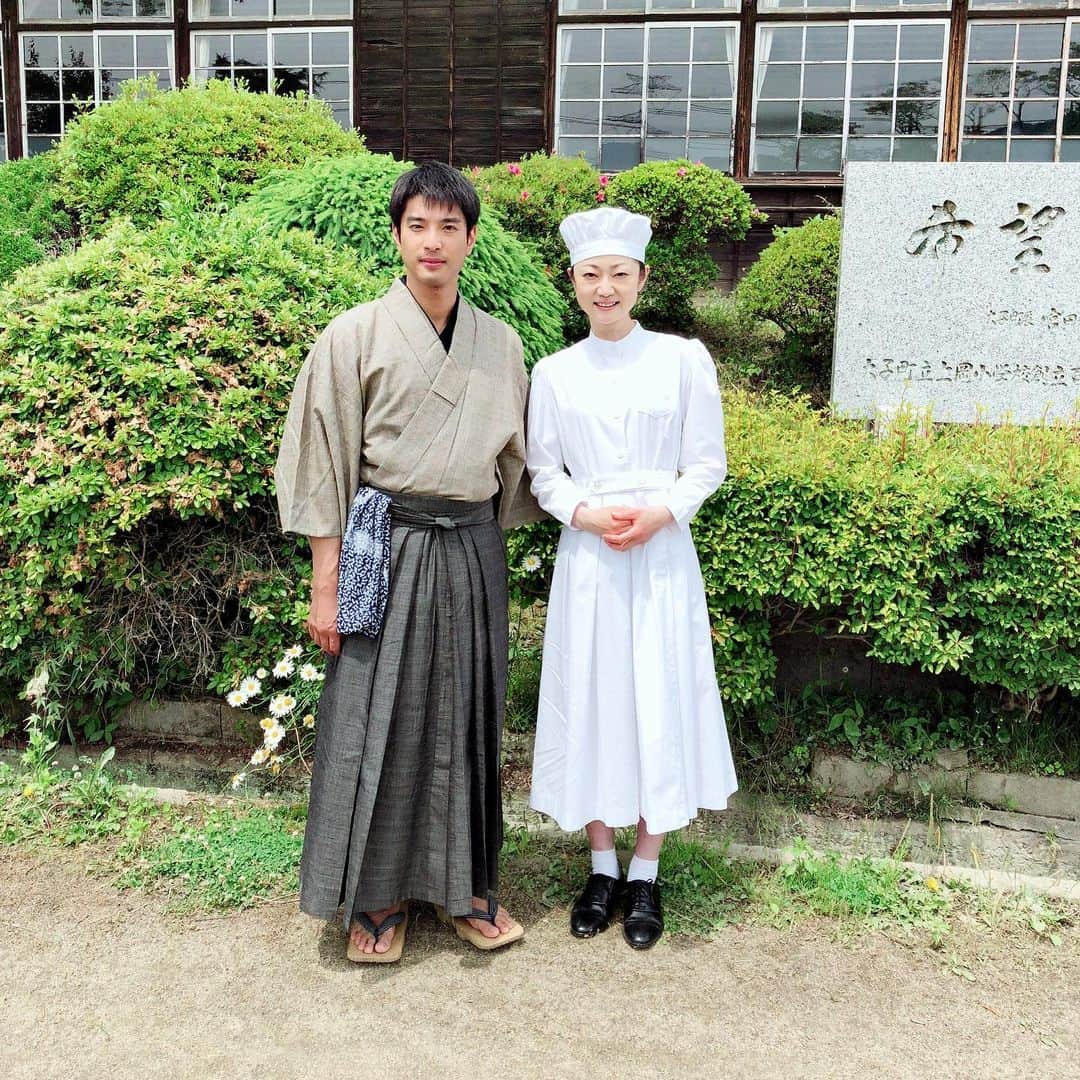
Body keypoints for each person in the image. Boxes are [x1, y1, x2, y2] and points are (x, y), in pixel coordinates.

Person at [275, 162, 536, 963]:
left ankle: (465, 889)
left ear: (470, 239)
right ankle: (378, 896)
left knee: (466, 720)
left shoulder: (502, 343)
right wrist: (327, 582)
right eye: (418, 225)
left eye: (448, 227)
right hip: (384, 546)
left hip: (470, 548)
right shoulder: (352, 334)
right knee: (374, 721)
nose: (433, 241)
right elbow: (321, 460)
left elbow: (523, 466)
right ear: (397, 234)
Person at [525, 206, 738, 950]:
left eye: (619, 274)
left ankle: (646, 869)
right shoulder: (553, 372)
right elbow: (543, 470)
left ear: (642, 280)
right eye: (592, 275)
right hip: (588, 557)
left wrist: (659, 513)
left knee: (656, 692)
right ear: (574, 282)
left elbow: (706, 462)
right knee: (590, 693)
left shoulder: (683, 359)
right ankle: (600, 863)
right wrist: (583, 515)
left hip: (659, 554)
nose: (605, 288)